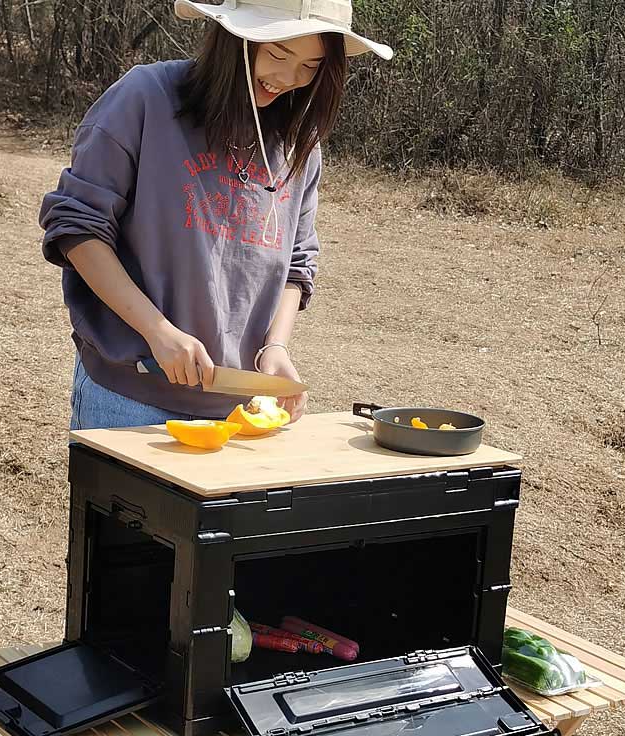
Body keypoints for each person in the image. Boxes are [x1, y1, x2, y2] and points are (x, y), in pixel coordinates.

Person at [39, 0, 392, 431]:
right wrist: (158, 332)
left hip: (239, 407)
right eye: (278, 52)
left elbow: (298, 264)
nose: (287, 79)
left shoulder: (300, 144)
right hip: (130, 395)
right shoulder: (146, 97)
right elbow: (79, 228)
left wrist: (275, 347)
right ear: (233, 38)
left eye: (310, 66)